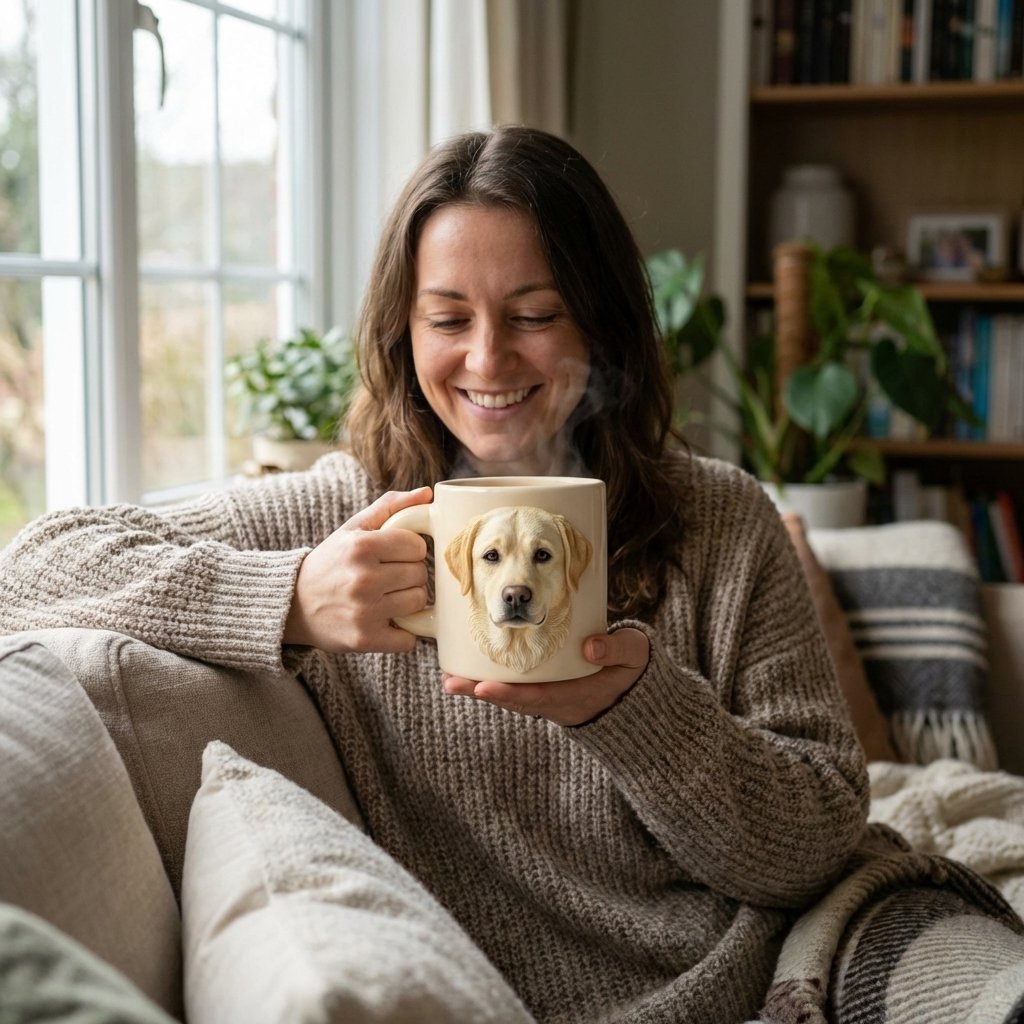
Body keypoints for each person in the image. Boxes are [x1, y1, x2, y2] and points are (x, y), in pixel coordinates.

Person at [0, 126, 870, 1023]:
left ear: (601, 324)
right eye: (448, 319)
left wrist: (634, 710)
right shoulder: (349, 514)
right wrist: (291, 597)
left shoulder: (720, 520)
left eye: (534, 316)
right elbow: (27, 567)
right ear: (403, 331)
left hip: (753, 987)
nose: (488, 361)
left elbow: (818, 839)